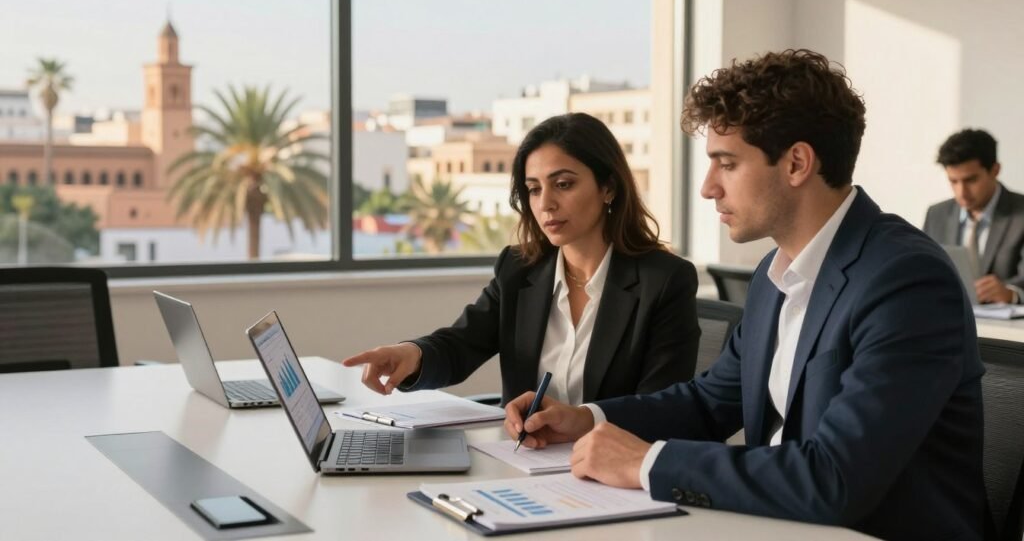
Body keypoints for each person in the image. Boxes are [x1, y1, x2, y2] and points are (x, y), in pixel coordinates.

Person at [504, 50, 985, 540]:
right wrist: (584, 419)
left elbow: (836, 479)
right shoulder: (773, 276)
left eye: (726, 164)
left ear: (797, 162)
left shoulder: (904, 279)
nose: (709, 188)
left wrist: (648, 462)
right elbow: (709, 403)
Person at [343, 113, 701, 406]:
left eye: (563, 184)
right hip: (522, 461)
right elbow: (462, 345)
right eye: (533, 189)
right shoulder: (520, 269)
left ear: (608, 187)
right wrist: (412, 354)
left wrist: (583, 421)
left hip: (608, 473)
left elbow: (662, 406)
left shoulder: (665, 280)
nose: (545, 204)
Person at [923, 128, 1024, 304]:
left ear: (995, 170)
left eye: (971, 180)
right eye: (953, 181)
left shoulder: (1020, 213)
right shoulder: (936, 215)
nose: (961, 192)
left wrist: (1011, 293)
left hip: (1003, 329)